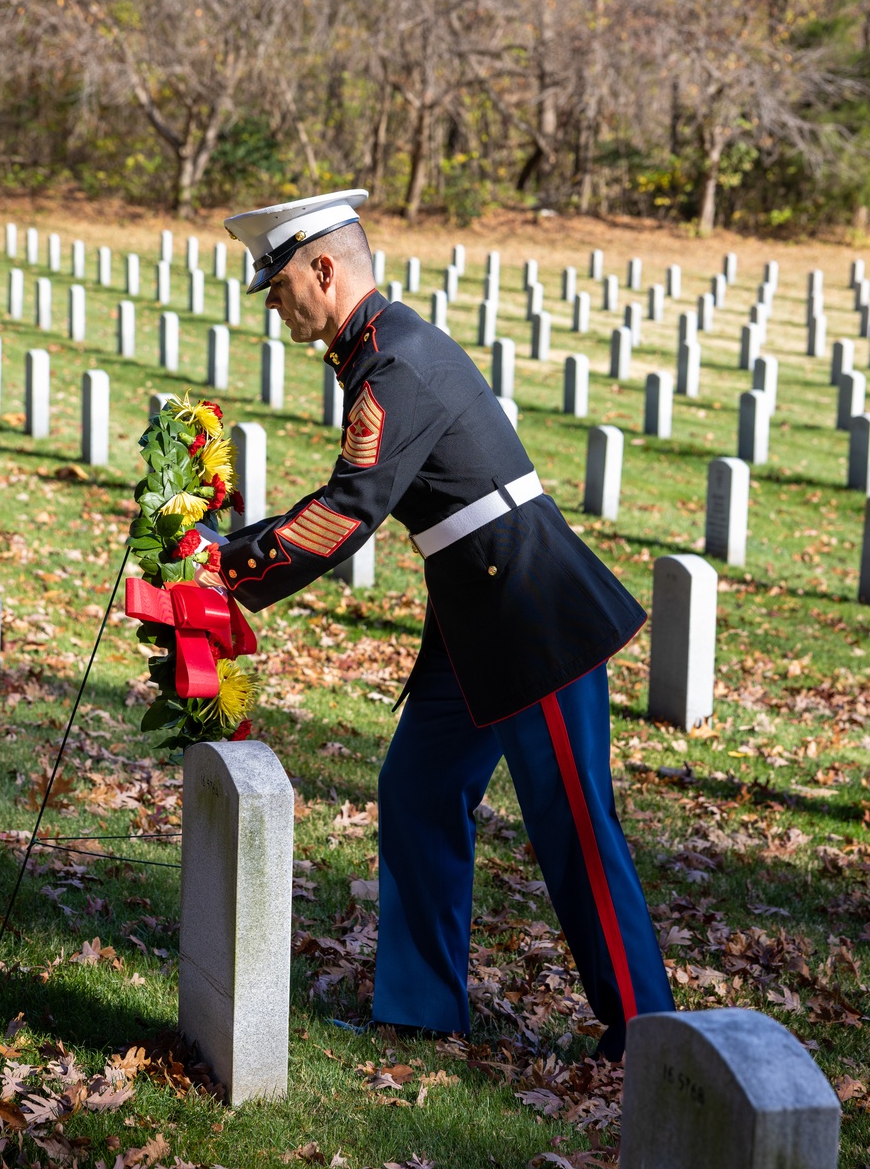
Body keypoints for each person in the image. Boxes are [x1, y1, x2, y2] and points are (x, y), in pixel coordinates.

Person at [203, 188, 674, 1057]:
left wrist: (223, 563)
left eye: (279, 283)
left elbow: (349, 512)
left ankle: (646, 1029)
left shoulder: (396, 365)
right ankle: (422, 1007)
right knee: (417, 789)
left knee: (575, 821)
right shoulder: (376, 353)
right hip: (474, 618)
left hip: (534, 614)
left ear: (324, 268)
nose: (273, 301)